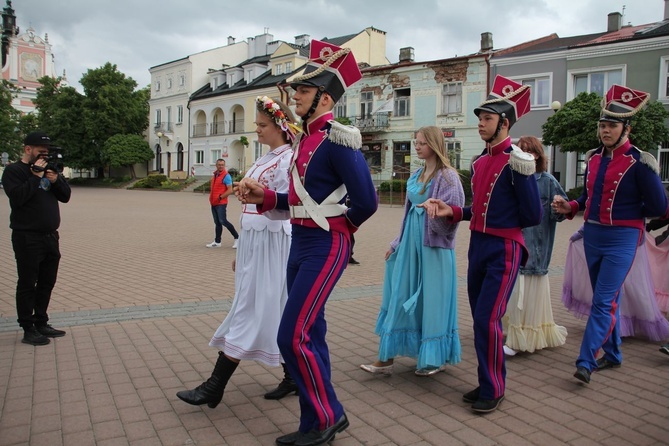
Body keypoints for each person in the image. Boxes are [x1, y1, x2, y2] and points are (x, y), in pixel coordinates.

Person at [236, 39, 378, 446]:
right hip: (298, 243)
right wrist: (265, 197)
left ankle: (328, 417)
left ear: (324, 97)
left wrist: (340, 230)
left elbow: (365, 202)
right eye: (297, 90)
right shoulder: (304, 141)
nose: (295, 95)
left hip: (325, 246)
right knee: (310, 333)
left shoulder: (338, 138)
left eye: (302, 90)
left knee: (291, 336)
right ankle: (316, 420)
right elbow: (298, 201)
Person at [421, 75, 542, 413]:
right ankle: (488, 380)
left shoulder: (518, 160)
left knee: (488, 320)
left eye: (487, 119)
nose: (480, 124)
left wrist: (494, 221)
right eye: (480, 118)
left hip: (505, 248)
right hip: (479, 247)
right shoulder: (479, 161)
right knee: (480, 320)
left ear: (504, 122)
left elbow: (532, 214)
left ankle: (494, 388)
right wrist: (454, 211)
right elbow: (481, 210)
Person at [176, 97, 299, 408]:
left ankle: (215, 385)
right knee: (272, 306)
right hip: (256, 240)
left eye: (262, 125)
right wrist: (243, 247)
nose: (256, 130)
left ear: (280, 127)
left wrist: (258, 197)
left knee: (256, 307)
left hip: (273, 242)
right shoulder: (264, 158)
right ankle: (294, 376)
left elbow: (288, 202)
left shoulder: (288, 159)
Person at [552, 85, 668, 384]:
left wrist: (627, 210)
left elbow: (658, 205)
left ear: (626, 128)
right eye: (602, 125)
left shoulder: (640, 162)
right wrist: (571, 205)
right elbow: (591, 198)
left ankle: (586, 361)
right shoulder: (592, 158)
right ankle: (614, 353)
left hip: (622, 239)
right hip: (593, 235)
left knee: (602, 301)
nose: (605, 131)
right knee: (608, 298)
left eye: (611, 125)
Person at [361, 126, 464, 377]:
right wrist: (396, 244)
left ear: (434, 144)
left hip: (434, 248)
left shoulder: (448, 176)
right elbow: (408, 215)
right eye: (415, 142)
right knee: (399, 295)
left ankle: (434, 358)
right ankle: (386, 358)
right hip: (410, 245)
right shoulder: (416, 174)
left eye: (421, 143)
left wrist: (438, 211)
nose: (416, 146)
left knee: (433, 301)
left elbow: (454, 214)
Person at [1, 131, 71, 346]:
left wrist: (55, 179)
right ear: (28, 149)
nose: (44, 156)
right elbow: (18, 198)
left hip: (50, 237)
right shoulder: (14, 171)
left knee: (47, 282)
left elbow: (66, 196)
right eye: (41, 152)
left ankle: (41, 321)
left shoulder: (49, 171)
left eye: (47, 153)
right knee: (27, 283)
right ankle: (28, 327)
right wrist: (35, 176)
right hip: (27, 237)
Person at [503, 136, 568, 356]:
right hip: (514, 245)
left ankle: (522, 339)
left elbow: (560, 213)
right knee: (513, 294)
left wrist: (560, 208)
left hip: (535, 249)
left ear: (538, 156)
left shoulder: (547, 181)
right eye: (520, 150)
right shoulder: (511, 178)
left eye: (530, 151)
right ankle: (514, 333)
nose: (525, 154)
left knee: (526, 294)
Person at [562, 226, 669, 341]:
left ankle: (616, 327)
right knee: (623, 287)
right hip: (628, 241)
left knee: (624, 286)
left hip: (625, 243)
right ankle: (618, 325)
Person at [206, 158, 239, 248]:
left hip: (221, 203)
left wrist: (220, 197)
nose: (221, 166)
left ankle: (237, 237)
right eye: (219, 165)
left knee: (223, 221)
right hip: (213, 203)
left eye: (222, 165)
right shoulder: (215, 175)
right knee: (217, 222)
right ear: (216, 165)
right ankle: (217, 242)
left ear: (224, 166)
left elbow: (230, 190)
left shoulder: (226, 176)